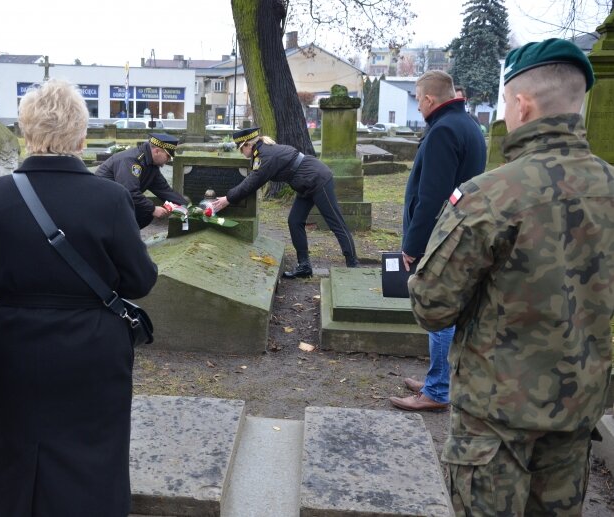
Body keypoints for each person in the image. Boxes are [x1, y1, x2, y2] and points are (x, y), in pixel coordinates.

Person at [408, 39, 614, 515]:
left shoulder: (492, 196)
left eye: (505, 103)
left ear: (521, 105)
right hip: (578, 408)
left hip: (496, 418)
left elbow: (431, 306)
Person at [0, 78, 157, 516]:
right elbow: (139, 280)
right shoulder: (110, 198)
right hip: (91, 343)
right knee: (95, 448)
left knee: (19, 443)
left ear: (26, 132)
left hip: (14, 340)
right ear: (81, 135)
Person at [389, 71, 486, 412]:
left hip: (441, 236)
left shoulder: (444, 130)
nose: (418, 104)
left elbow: (431, 196)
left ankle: (437, 391)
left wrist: (413, 245)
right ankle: (440, 378)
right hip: (461, 230)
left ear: (430, 99)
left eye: (418, 98)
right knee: (452, 309)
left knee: (440, 310)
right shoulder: (467, 124)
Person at [210, 127, 359, 277]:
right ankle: (304, 267)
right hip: (304, 183)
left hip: (318, 179)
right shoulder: (261, 151)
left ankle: (353, 264)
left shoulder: (265, 156)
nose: (240, 152)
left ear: (248, 145)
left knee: (336, 223)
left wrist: (228, 199)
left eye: (240, 149)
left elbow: (252, 182)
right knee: (294, 221)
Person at [95, 133, 187, 228]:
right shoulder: (131, 160)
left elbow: (164, 190)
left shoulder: (151, 164)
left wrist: (187, 207)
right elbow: (129, 191)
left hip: (117, 203)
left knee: (145, 213)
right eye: (168, 156)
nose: (168, 160)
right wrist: (152, 208)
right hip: (102, 205)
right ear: (157, 151)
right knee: (146, 211)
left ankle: (125, 237)